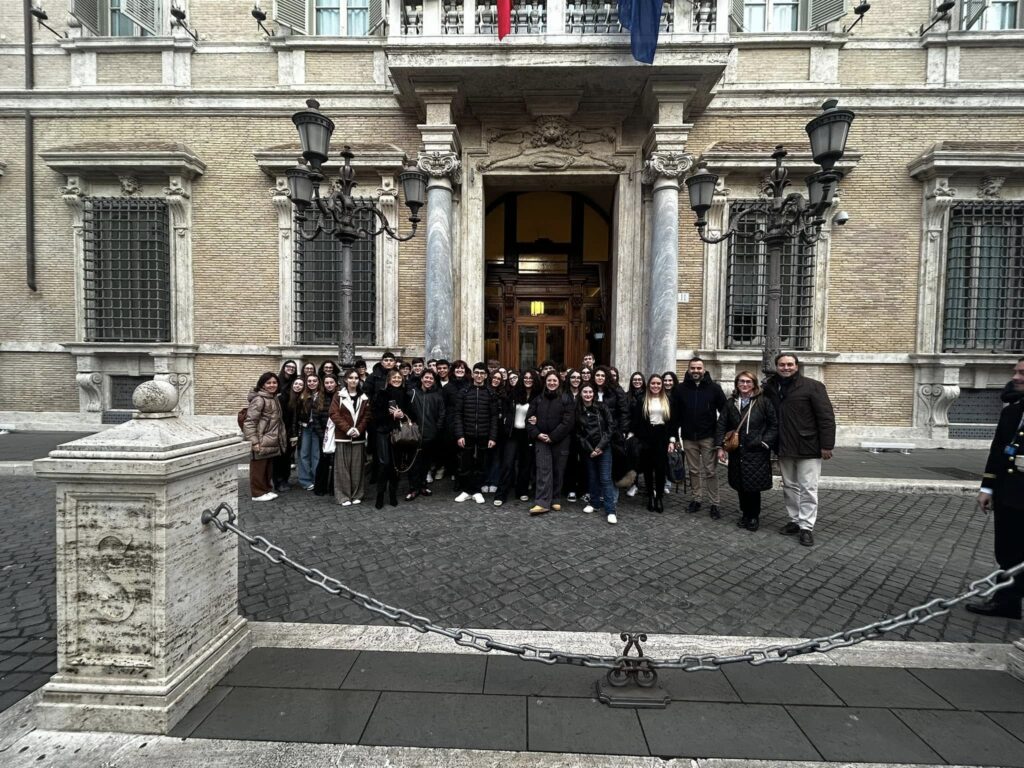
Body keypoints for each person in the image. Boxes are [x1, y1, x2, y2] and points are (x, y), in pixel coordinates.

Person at [966, 358, 1024, 619]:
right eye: (1016, 371)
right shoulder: (1012, 410)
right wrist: (987, 488)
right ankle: (1007, 602)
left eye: (1021, 372)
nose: (1016, 376)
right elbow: (998, 451)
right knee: (1008, 549)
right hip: (1009, 493)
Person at [763, 353, 836, 547]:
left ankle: (806, 526)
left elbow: (826, 417)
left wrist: (827, 445)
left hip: (808, 446)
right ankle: (794, 520)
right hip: (784, 446)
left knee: (808, 488)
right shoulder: (770, 387)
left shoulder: (813, 386)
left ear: (797, 366)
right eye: (781, 365)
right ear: (776, 366)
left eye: (789, 364)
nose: (785, 368)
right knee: (789, 486)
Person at [715, 371, 778, 532]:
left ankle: (753, 516)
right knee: (740, 485)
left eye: (748, 382)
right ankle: (744, 513)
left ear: (754, 384)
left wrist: (764, 443)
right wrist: (720, 447)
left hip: (756, 451)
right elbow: (721, 425)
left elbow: (773, 425)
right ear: (737, 384)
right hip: (737, 451)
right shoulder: (731, 403)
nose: (745, 385)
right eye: (741, 381)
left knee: (753, 486)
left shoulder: (763, 402)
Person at [674, 357, 727, 519]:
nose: (696, 371)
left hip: (708, 437)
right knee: (694, 471)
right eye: (693, 368)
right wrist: (675, 437)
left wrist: (721, 439)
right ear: (688, 369)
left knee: (710, 471)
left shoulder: (714, 388)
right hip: (689, 437)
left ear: (703, 369)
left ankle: (714, 503)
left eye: (699, 368)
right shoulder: (680, 389)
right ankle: (696, 499)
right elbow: (675, 415)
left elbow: (724, 413)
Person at [527, 370, 575, 515]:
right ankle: (542, 502)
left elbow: (568, 422)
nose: (552, 383)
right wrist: (538, 434)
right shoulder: (538, 399)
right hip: (541, 440)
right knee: (543, 470)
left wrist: (552, 436)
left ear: (559, 382)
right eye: (549, 380)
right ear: (545, 382)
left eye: (555, 380)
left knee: (558, 470)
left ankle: (555, 499)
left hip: (560, 440)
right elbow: (529, 420)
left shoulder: (566, 399)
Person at [453, 362, 498, 504]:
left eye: (482, 373)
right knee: (465, 465)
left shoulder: (491, 393)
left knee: (481, 465)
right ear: (472, 374)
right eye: (476, 373)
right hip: (467, 434)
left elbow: (494, 417)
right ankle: (467, 491)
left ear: (486, 375)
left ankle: (477, 491)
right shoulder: (464, 392)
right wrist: (460, 434)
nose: (479, 376)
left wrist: (492, 436)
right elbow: (458, 414)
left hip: (484, 434)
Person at [495, 368, 539, 505]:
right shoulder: (514, 394)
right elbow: (507, 411)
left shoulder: (538, 396)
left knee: (525, 465)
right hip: (512, 433)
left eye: (530, 378)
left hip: (528, 434)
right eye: (525, 378)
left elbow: (542, 414)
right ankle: (501, 494)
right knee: (508, 464)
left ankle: (522, 491)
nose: (528, 380)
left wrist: (537, 419)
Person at [631, 373, 673, 513]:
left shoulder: (668, 400)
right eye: (653, 384)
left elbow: (672, 423)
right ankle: (650, 495)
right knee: (648, 469)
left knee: (660, 469)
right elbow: (636, 421)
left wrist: (672, 440)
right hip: (646, 437)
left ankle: (659, 497)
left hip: (662, 437)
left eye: (658, 384)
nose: (656, 386)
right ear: (649, 385)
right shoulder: (642, 399)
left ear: (662, 386)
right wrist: (640, 438)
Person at [371, 368, 413, 509]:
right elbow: (375, 416)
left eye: (399, 377)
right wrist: (391, 415)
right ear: (389, 380)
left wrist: (402, 415)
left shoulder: (406, 395)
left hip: (399, 434)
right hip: (383, 432)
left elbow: (410, 415)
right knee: (384, 464)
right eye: (394, 377)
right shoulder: (381, 394)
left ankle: (393, 494)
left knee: (396, 465)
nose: (396, 379)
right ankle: (380, 495)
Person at [242, 372, 287, 502]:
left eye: (274, 382)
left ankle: (266, 489)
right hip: (261, 439)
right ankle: (257, 493)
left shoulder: (273, 398)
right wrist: (254, 441)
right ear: (262, 384)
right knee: (258, 468)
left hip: (271, 439)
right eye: (268, 383)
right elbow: (250, 422)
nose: (272, 385)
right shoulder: (259, 399)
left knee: (267, 467)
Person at [577, 383, 618, 525]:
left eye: (590, 392)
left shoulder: (602, 407)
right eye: (585, 392)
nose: (587, 394)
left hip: (604, 448)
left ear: (593, 394)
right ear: (581, 394)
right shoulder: (578, 410)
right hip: (589, 449)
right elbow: (578, 434)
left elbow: (611, 427)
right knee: (592, 477)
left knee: (605, 479)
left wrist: (600, 447)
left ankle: (611, 510)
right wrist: (590, 449)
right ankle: (594, 503)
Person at [330, 368, 370, 506]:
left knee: (357, 467)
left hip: (358, 437)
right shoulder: (338, 396)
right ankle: (343, 496)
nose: (354, 380)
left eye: (356, 378)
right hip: (343, 436)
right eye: (351, 378)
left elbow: (366, 416)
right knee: (342, 468)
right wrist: (348, 429)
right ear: (346, 380)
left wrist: (358, 430)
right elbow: (334, 414)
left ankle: (357, 494)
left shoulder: (364, 397)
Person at [407, 369, 446, 500]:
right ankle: (413, 488)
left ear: (434, 381)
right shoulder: (412, 393)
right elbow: (406, 411)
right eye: (426, 377)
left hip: (430, 434)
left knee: (426, 462)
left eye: (431, 378)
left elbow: (442, 414)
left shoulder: (437, 396)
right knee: (413, 462)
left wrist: (437, 429)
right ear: (421, 378)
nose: (428, 380)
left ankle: (422, 485)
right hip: (415, 433)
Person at [273, 376, 305, 492]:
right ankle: (278, 481)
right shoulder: (283, 397)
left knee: (287, 458)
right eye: (296, 384)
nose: (298, 386)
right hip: (283, 432)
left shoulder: (300, 399)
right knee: (280, 458)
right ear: (292, 385)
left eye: (301, 385)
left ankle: (285, 480)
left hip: (292, 433)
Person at [296, 372, 326, 491]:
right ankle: (305, 480)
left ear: (318, 382)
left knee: (316, 455)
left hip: (317, 428)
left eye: (314, 381)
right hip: (306, 428)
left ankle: (315, 479)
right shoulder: (303, 396)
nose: (312, 383)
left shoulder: (322, 395)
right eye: (309, 381)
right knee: (303, 454)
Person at [312, 374, 339, 496]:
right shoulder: (319, 398)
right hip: (323, 434)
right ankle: (320, 488)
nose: (329, 385)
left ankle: (334, 488)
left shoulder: (340, 396)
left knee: (336, 462)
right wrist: (322, 435)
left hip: (337, 433)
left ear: (336, 383)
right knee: (323, 461)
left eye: (331, 382)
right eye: (327, 383)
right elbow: (315, 418)